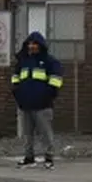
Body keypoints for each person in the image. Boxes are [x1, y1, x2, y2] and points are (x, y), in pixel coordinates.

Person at [11, 31, 63, 168]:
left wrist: (47, 96)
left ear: (40, 45)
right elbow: (15, 80)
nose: (32, 46)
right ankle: (29, 157)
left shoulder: (49, 62)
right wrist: (18, 95)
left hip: (43, 105)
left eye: (34, 44)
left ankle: (49, 157)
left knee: (45, 132)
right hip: (25, 105)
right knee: (27, 134)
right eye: (30, 43)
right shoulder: (22, 62)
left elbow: (56, 81)